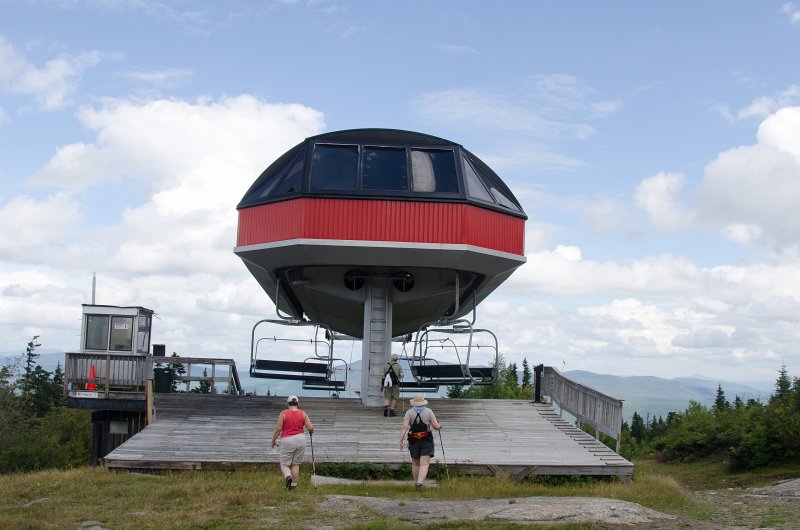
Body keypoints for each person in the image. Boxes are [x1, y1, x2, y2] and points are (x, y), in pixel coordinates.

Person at [399, 394, 442, 490]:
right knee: (425, 463)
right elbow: (435, 426)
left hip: (413, 440)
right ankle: (420, 483)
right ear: (423, 402)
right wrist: (440, 426)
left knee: (415, 463)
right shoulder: (428, 411)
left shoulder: (409, 412)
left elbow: (404, 427)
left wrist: (400, 440)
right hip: (426, 439)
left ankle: (416, 483)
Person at [271, 395, 314, 489]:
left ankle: (288, 476)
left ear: (288, 404)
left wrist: (273, 440)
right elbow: (310, 428)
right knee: (295, 463)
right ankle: (293, 485)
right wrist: (311, 430)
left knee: (284, 464)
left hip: (288, 439)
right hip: (301, 439)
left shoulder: (284, 413)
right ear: (297, 403)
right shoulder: (303, 413)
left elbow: (278, 429)